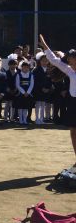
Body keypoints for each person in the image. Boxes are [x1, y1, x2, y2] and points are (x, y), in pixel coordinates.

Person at [39, 35, 76, 171]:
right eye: (69, 58)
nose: (69, 60)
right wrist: (45, 46)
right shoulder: (69, 70)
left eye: (71, 58)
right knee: (73, 132)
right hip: (73, 103)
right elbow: (54, 60)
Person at [33, 51, 53, 124]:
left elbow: (50, 80)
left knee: (43, 104)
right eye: (43, 60)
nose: (44, 62)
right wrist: (42, 88)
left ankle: (41, 119)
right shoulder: (36, 70)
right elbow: (35, 81)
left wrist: (48, 88)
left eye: (46, 60)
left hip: (46, 90)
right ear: (40, 61)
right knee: (38, 104)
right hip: (38, 90)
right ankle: (37, 119)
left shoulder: (49, 70)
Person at [14, 61, 34, 125]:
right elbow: (17, 85)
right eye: (24, 67)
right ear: (21, 67)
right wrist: (23, 92)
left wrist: (28, 92)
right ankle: (20, 120)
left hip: (28, 94)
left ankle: (25, 120)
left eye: (27, 67)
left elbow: (32, 84)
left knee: (26, 107)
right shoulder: (18, 74)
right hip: (20, 94)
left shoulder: (31, 75)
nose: (25, 68)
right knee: (20, 107)